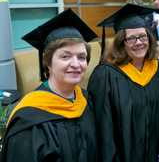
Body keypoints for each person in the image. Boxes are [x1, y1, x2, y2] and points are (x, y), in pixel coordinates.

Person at [0, 9, 98, 162]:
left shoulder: (85, 100)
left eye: (81, 57)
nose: (76, 64)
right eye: (65, 56)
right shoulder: (29, 119)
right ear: (48, 63)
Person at [87, 4, 159, 162]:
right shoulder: (106, 75)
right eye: (131, 38)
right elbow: (103, 127)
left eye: (143, 36)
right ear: (121, 42)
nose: (139, 42)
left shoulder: (158, 69)